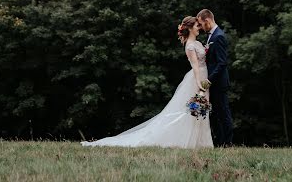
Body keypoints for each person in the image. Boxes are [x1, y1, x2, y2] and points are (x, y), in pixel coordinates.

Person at [81, 16, 213, 148]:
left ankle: (201, 142)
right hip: (197, 78)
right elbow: (195, 67)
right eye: (197, 26)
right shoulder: (190, 46)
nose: (199, 28)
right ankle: (189, 141)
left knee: (200, 108)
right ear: (190, 28)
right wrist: (199, 84)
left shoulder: (198, 43)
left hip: (203, 76)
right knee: (192, 110)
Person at [196, 9, 233, 147]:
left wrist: (209, 79)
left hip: (219, 82)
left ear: (207, 20)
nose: (200, 27)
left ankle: (228, 143)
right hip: (213, 82)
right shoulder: (211, 36)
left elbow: (222, 63)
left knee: (223, 113)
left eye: (201, 24)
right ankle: (220, 142)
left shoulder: (219, 36)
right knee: (216, 114)